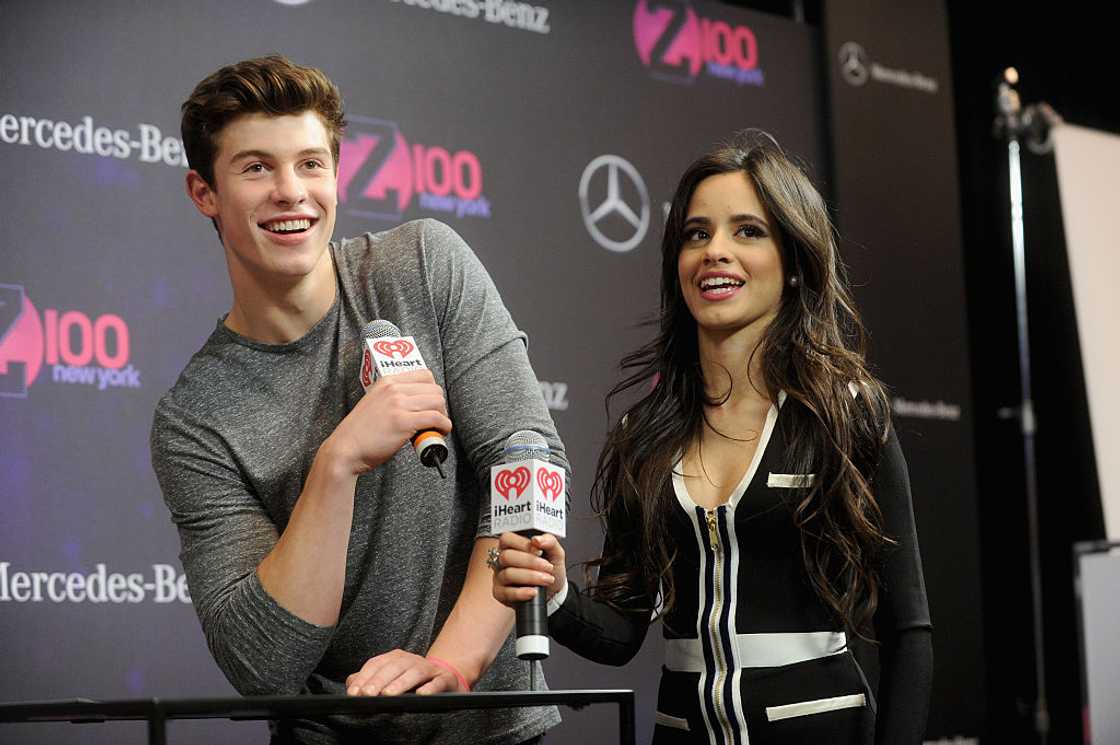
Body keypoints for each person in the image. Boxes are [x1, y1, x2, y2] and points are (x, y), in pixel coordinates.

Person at [150, 55, 564, 745]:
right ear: (204, 192)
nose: (292, 192)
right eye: (257, 168)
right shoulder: (195, 416)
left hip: (494, 730)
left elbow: (530, 463)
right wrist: (336, 462)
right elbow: (264, 660)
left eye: (311, 164)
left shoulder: (423, 265)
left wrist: (451, 666)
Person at [491, 131, 932, 744]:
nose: (715, 252)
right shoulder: (642, 435)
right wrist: (556, 592)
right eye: (696, 234)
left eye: (747, 231)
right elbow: (621, 635)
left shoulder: (848, 416)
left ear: (795, 263)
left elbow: (908, 629)